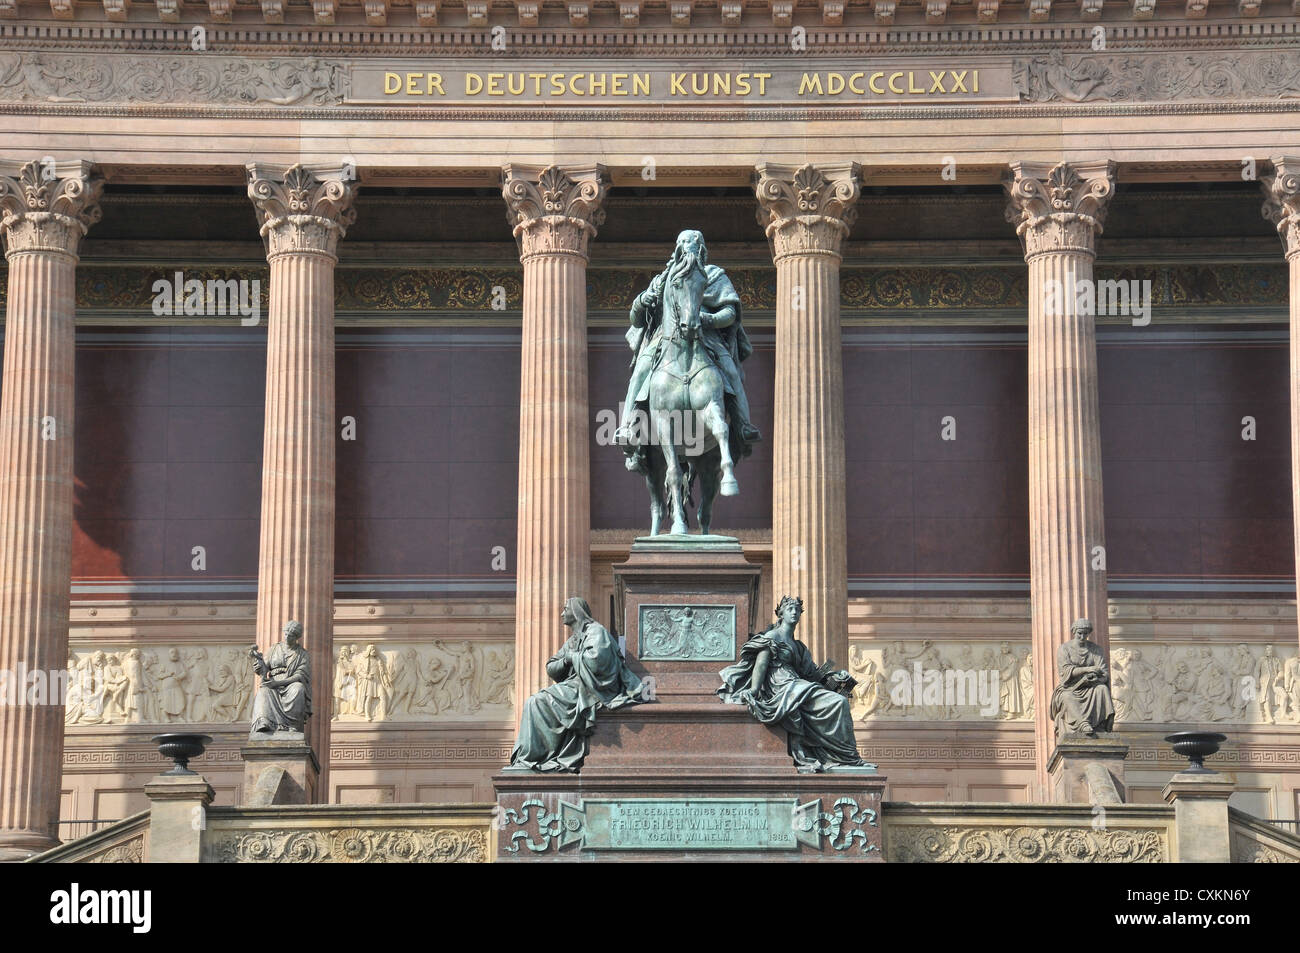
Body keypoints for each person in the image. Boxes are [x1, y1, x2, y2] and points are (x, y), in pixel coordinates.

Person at [615, 229, 759, 449]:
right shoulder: (663, 279)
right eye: (682, 242)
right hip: (664, 339)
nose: (686, 246)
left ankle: (743, 424)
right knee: (641, 369)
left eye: (691, 242)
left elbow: (730, 314)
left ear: (701, 248)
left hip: (707, 338)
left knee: (730, 370)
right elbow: (636, 319)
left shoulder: (713, 276)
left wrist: (707, 319)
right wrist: (644, 299)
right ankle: (627, 425)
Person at [717, 595, 866, 771]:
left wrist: (836, 677)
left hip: (797, 684)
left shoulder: (799, 646)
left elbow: (813, 675)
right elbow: (761, 664)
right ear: (781, 614)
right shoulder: (772, 637)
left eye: (797, 610)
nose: (794, 612)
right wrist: (755, 689)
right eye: (790, 609)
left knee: (840, 701)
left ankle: (844, 757)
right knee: (839, 702)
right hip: (781, 685)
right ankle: (846, 757)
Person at [508, 597, 644, 772]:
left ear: (576, 611)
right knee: (536, 701)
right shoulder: (574, 639)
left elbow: (597, 661)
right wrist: (566, 660)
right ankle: (536, 756)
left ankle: (537, 757)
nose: (562, 613)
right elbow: (551, 666)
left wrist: (573, 657)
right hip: (576, 685)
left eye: (566, 609)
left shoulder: (596, 631)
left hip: (593, 688)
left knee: (537, 702)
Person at [1050, 619, 1115, 737]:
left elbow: (1104, 673)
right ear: (1074, 632)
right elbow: (1065, 671)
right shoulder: (1064, 649)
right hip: (1070, 688)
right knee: (1066, 696)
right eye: (1079, 633)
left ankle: (1103, 725)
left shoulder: (1096, 649)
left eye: (1085, 633)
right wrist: (1087, 669)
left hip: (1091, 687)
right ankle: (1083, 724)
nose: (1082, 636)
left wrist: (1096, 679)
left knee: (1102, 689)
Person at [249, 620, 312, 735]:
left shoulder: (302, 654)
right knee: (263, 691)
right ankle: (265, 723)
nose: (287, 637)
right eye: (286, 633)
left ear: (297, 637)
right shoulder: (274, 649)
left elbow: (300, 675)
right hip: (273, 683)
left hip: (290, 683)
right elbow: (265, 668)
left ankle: (293, 725)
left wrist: (278, 683)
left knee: (298, 689)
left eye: (291, 635)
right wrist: (258, 663)